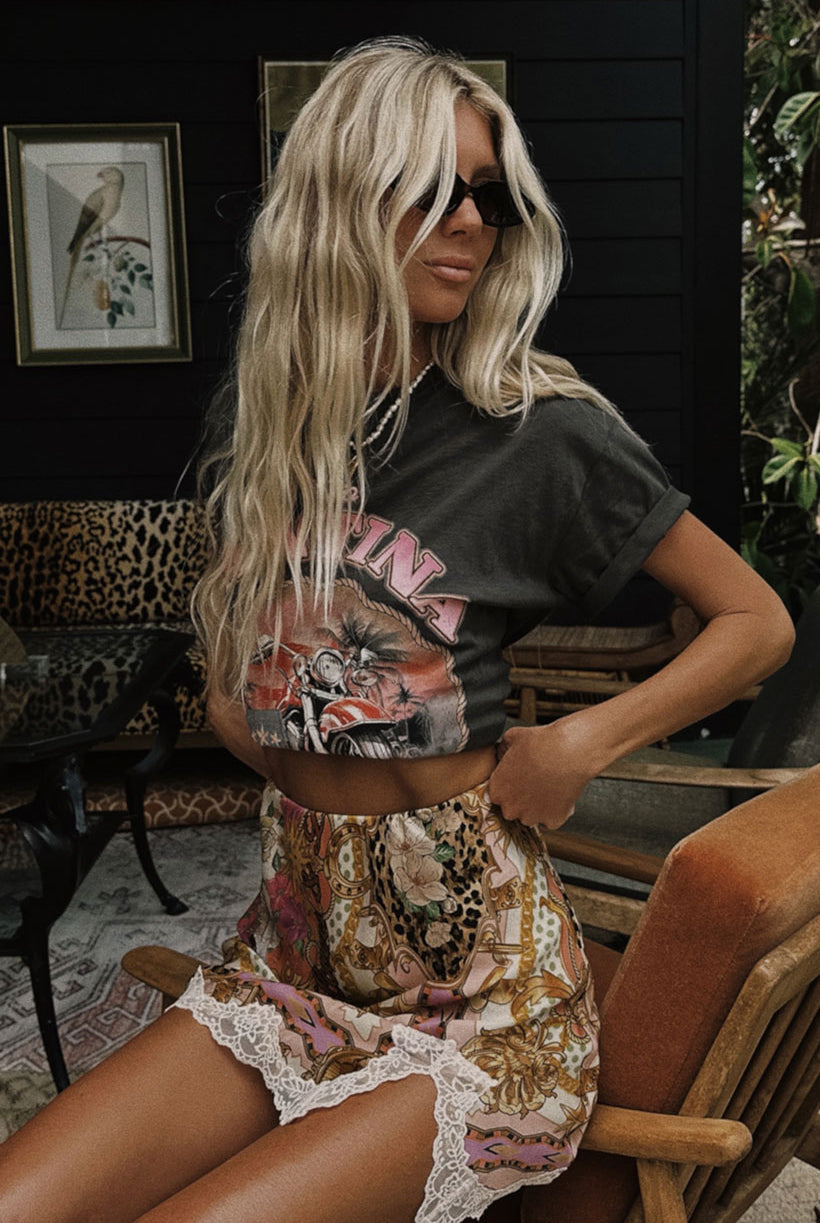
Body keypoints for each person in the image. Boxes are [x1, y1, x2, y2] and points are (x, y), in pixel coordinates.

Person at [0, 34, 794, 1223]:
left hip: (479, 1002)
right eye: (431, 187)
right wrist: (268, 726)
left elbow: (755, 620)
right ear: (338, 199)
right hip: (291, 958)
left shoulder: (538, 430)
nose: (470, 221)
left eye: (488, 193)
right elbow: (246, 681)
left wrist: (580, 744)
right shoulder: (287, 431)